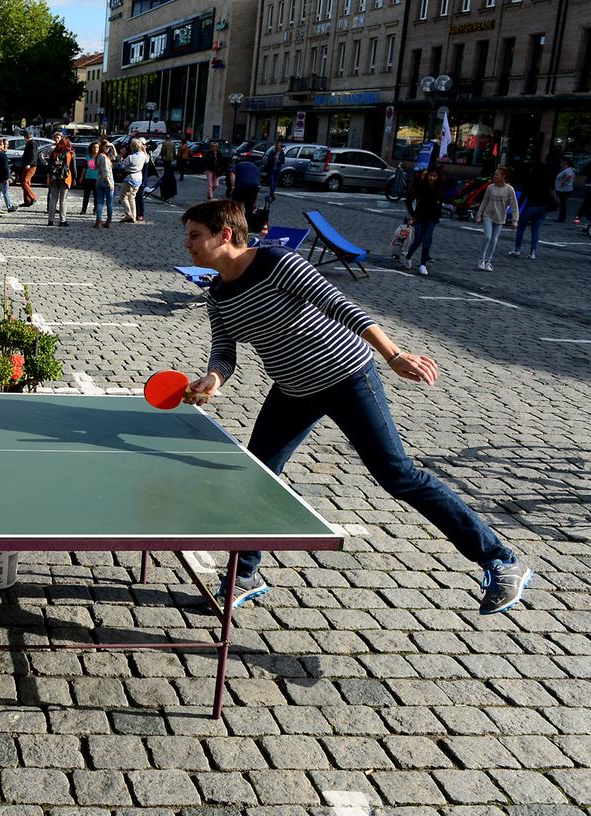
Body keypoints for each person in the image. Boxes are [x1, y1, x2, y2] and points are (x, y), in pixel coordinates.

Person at [178, 198, 533, 616]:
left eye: (194, 235)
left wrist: (394, 355)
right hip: (293, 390)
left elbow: (342, 307)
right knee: (256, 476)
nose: (188, 244)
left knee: (397, 475)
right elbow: (225, 352)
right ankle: (245, 575)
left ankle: (500, 558)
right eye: (187, 236)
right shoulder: (218, 293)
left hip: (348, 377)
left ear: (224, 235)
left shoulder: (278, 263)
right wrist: (213, 379)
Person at [401, 167, 446, 276]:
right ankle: (408, 256)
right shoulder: (421, 186)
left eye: (434, 176)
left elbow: (440, 202)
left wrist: (439, 213)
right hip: (420, 217)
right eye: (430, 175)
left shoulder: (439, 188)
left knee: (427, 240)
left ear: (437, 177)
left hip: (432, 218)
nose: (432, 178)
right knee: (417, 241)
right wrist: (413, 215)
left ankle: (423, 264)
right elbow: (409, 200)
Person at [475, 167, 517, 271]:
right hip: (488, 215)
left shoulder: (509, 189)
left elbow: (514, 205)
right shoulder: (490, 187)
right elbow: (484, 201)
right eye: (495, 174)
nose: (495, 176)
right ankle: (481, 260)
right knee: (487, 237)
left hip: (500, 217)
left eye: (497, 174)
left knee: (494, 240)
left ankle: (488, 262)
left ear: (504, 176)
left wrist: (515, 220)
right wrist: (479, 215)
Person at [509, 164, 555, 260]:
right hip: (543, 208)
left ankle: (517, 249)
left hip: (531, 206)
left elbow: (523, 195)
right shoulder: (547, 179)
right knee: (536, 230)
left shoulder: (530, 178)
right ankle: (532, 252)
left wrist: (517, 208)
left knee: (521, 228)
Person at [44, 132, 75, 227]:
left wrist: (49, 176)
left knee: (53, 199)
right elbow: (73, 167)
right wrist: (74, 178)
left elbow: (49, 166)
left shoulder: (54, 152)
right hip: (65, 178)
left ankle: (50, 220)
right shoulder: (70, 153)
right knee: (63, 200)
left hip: (54, 177)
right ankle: (62, 221)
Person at [118, 139, 146, 225]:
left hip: (130, 177)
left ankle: (128, 214)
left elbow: (121, 167)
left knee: (123, 196)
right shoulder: (143, 155)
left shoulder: (130, 157)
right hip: (139, 177)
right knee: (132, 197)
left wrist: (121, 158)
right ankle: (133, 216)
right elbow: (147, 161)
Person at [93, 140, 115, 228]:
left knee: (100, 202)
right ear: (102, 147)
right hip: (106, 180)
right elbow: (105, 171)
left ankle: (98, 221)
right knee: (109, 203)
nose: (107, 148)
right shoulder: (103, 157)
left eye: (108, 147)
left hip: (99, 181)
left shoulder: (99, 156)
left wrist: (112, 146)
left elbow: (115, 156)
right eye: (106, 146)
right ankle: (108, 221)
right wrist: (110, 183)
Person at [19, 132, 41, 207]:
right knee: (26, 182)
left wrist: (29, 164)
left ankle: (33, 197)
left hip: (31, 166)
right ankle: (27, 201)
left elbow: (33, 155)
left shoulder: (33, 143)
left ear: (26, 137)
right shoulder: (30, 143)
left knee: (24, 182)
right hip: (27, 165)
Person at [80, 143, 100, 215]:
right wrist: (82, 177)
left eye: (97, 147)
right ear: (91, 148)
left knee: (96, 196)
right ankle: (83, 210)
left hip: (97, 179)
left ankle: (95, 210)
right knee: (86, 195)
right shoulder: (88, 157)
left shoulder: (100, 157)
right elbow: (84, 167)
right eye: (94, 147)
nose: (95, 149)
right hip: (88, 178)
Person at [554, 157, 576, 222]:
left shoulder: (568, 170)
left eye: (564, 164)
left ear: (567, 164)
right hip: (566, 189)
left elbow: (569, 176)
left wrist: (563, 182)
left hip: (564, 189)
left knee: (562, 204)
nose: (563, 165)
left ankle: (561, 218)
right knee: (562, 204)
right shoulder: (571, 169)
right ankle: (561, 217)